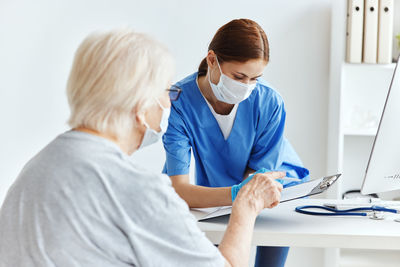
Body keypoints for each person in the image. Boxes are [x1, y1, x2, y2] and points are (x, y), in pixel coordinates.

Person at [0, 28, 284, 267]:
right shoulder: (134, 189)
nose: (170, 102)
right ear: (140, 106)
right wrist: (245, 204)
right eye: (166, 92)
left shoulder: (37, 167)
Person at [162, 19, 310, 267]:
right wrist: (237, 194)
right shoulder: (178, 101)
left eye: (255, 79)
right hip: (220, 192)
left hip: (273, 188)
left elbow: (259, 183)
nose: (246, 87)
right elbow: (179, 189)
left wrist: (244, 196)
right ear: (212, 60)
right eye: (239, 76)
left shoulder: (269, 102)